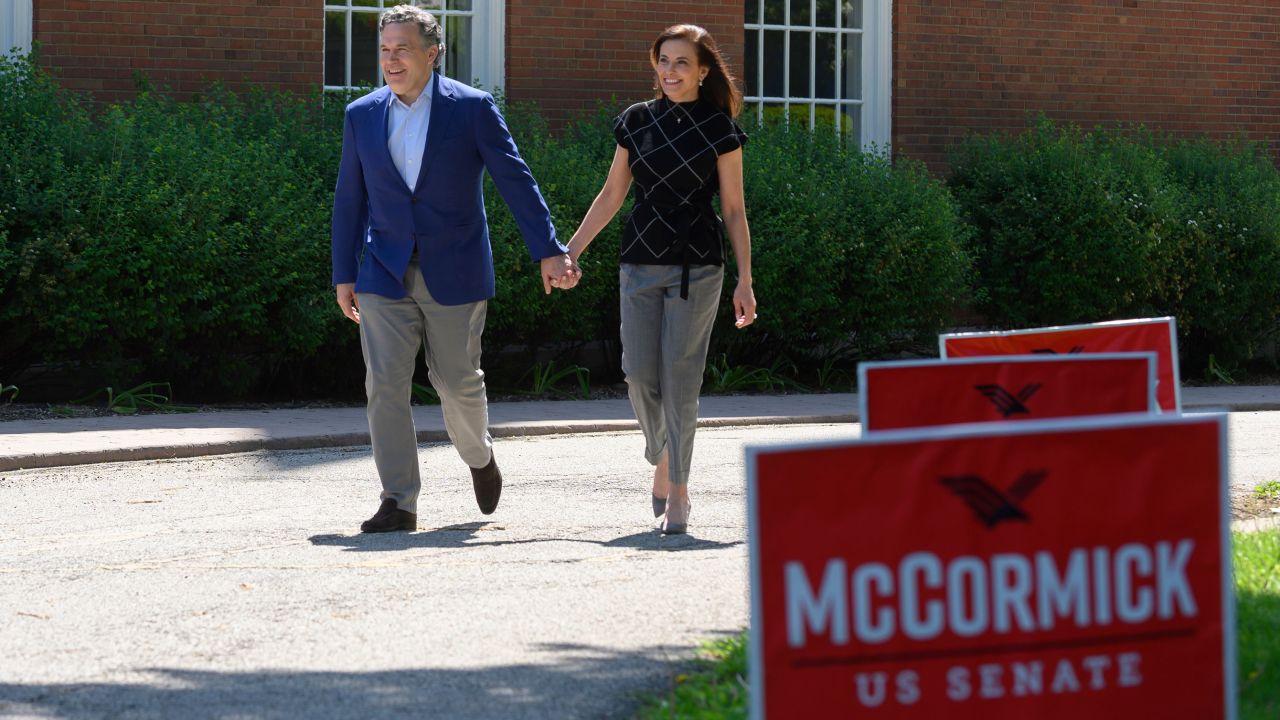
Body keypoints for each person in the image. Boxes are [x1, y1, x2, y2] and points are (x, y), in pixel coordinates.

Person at [331, 4, 580, 533]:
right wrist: (343, 273)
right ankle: (399, 500)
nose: (391, 60)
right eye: (385, 50)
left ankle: (479, 455)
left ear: (432, 53)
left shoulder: (471, 109)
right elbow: (349, 200)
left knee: (457, 382)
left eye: (403, 49)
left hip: (456, 269)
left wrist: (550, 250)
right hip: (383, 270)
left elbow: (517, 180)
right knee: (385, 385)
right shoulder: (362, 115)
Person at [566, 24, 756, 535]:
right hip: (639, 260)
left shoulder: (720, 129)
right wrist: (572, 250)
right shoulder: (636, 122)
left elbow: (734, 210)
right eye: (663, 61)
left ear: (703, 71)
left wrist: (746, 280)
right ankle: (664, 454)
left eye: (681, 63)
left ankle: (679, 490)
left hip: (700, 264)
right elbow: (612, 195)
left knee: (681, 380)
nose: (670, 72)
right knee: (638, 375)